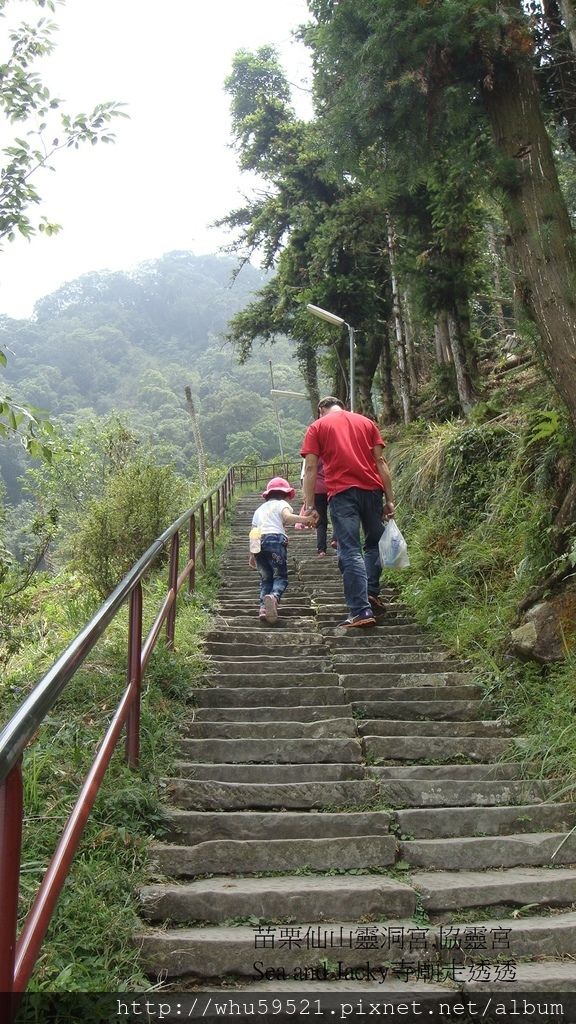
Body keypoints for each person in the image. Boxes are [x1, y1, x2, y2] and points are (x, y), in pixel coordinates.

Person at [301, 397, 395, 628]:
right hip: (373, 492)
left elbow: (311, 467)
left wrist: (310, 505)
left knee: (350, 548)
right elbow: (381, 462)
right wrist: (390, 500)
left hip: (342, 494)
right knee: (374, 542)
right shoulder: (366, 423)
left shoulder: (317, 427)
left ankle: (360, 610)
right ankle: (371, 591)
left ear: (322, 410)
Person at [250, 476, 317, 623]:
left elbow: (254, 532)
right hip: (275, 541)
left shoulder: (259, 509)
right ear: (285, 494)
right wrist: (306, 519)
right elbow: (287, 517)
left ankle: (263, 607)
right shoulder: (282, 504)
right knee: (280, 576)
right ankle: (274, 597)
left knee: (266, 577)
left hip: (258, 544)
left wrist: (252, 555)